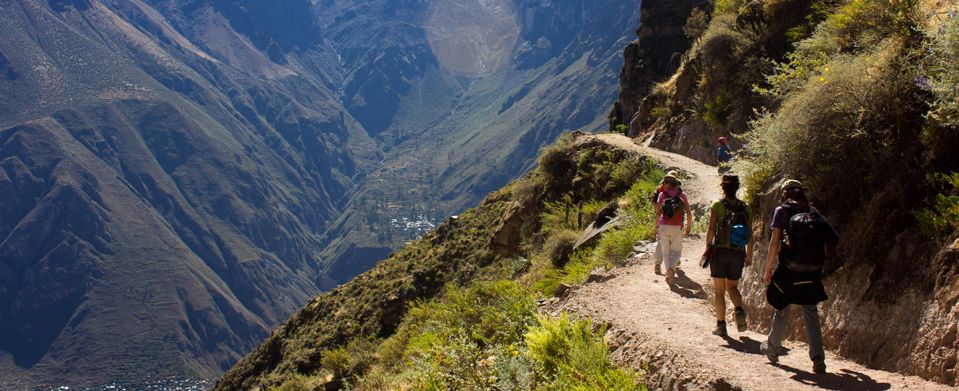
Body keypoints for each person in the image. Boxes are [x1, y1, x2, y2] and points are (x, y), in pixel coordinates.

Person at [761, 179, 839, 374]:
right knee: (810, 311)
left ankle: (772, 349)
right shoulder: (814, 212)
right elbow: (833, 237)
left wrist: (768, 268)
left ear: (785, 193)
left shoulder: (782, 211)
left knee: (781, 306)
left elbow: (774, 243)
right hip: (812, 270)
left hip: (788, 269)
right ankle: (818, 359)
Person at [704, 174, 752, 336]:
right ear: (737, 187)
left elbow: (711, 229)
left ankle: (721, 325)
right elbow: (750, 235)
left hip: (720, 252)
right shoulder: (745, 208)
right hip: (738, 253)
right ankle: (739, 311)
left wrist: (707, 246)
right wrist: (748, 254)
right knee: (732, 287)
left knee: (719, 291)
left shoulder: (717, 205)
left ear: (723, 187)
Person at [654, 173, 692, 284]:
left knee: (665, 251)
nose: (664, 184)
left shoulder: (662, 195)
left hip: (664, 225)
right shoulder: (682, 194)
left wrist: (656, 226)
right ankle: (671, 270)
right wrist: (688, 226)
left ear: (668, 184)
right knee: (676, 251)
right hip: (677, 226)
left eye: (665, 182)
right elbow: (688, 212)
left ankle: (668, 273)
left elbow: (658, 213)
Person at [652, 170, 680, 274]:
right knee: (660, 243)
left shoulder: (677, 191)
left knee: (670, 243)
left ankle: (673, 263)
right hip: (664, 220)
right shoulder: (660, 190)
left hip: (670, 222)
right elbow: (654, 203)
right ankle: (658, 264)